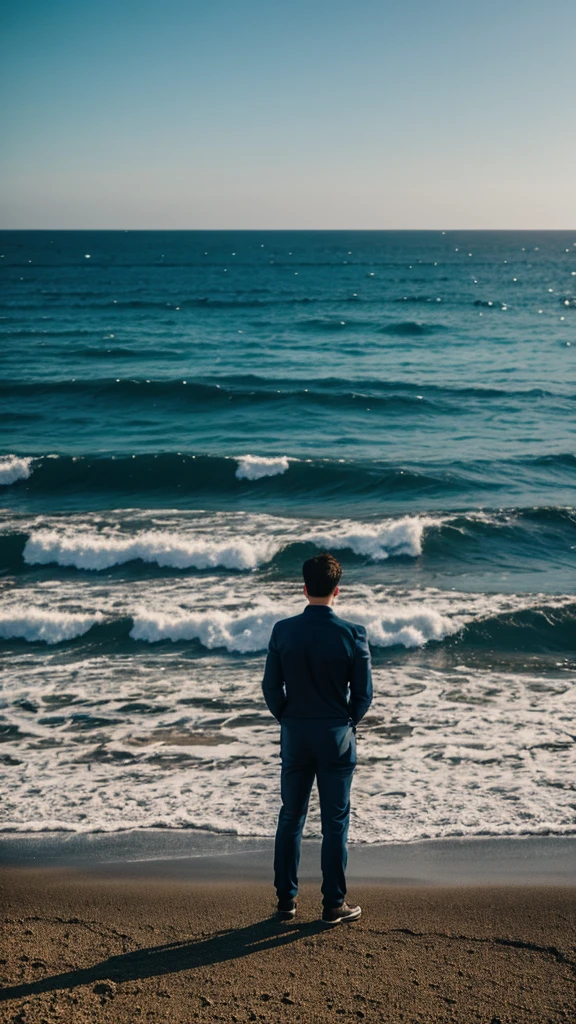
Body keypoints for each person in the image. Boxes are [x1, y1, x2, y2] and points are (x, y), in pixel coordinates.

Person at [262, 552, 373, 924]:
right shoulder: (353, 633)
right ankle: (332, 905)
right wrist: (346, 723)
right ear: (337, 590)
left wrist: (289, 718)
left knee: (291, 817)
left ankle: (285, 902)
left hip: (296, 734)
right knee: (335, 823)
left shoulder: (282, 630)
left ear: (304, 588)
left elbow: (271, 688)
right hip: (336, 738)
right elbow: (363, 695)